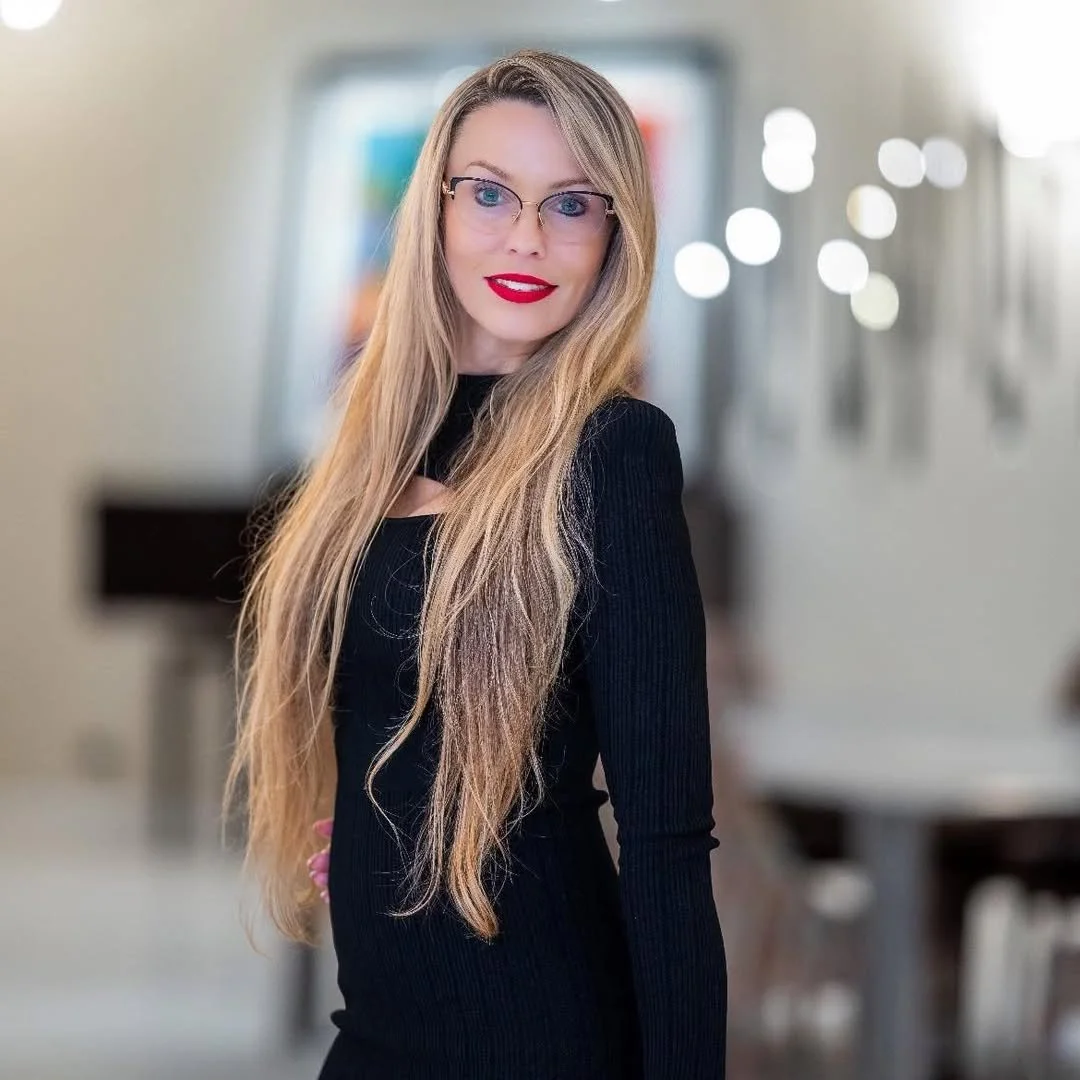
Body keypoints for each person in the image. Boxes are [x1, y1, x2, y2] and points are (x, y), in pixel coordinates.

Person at [226, 48, 727, 1080]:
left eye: (573, 205)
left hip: (532, 1037)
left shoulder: (613, 453)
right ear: (437, 210)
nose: (527, 238)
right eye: (491, 193)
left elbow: (669, 842)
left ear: (615, 237)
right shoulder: (375, 446)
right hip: (374, 1035)